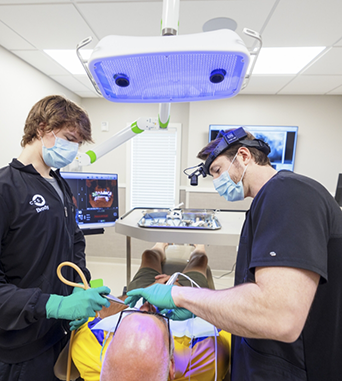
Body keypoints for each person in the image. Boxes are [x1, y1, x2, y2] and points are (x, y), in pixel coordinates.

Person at [125, 127, 342, 381]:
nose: (217, 183)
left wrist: (180, 295)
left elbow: (279, 315)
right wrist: (202, 305)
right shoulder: (268, 201)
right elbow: (258, 296)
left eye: (217, 171)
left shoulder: (288, 193)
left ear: (244, 156)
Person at [0, 95, 111, 381]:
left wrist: (78, 287)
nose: (73, 149)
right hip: (20, 347)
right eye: (68, 138)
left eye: (78, 143)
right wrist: (52, 305)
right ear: (41, 128)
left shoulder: (60, 184)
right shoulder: (6, 189)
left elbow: (74, 242)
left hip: (58, 333)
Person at [70, 243, 231, 381]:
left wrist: (143, 292)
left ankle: (160, 245)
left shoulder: (88, 350)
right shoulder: (206, 357)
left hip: (138, 294)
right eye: (156, 314)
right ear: (172, 366)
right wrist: (178, 292)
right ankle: (198, 247)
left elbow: (99, 311)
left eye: (135, 314)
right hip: (181, 296)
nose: (146, 306)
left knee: (149, 256)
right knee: (200, 261)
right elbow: (226, 320)